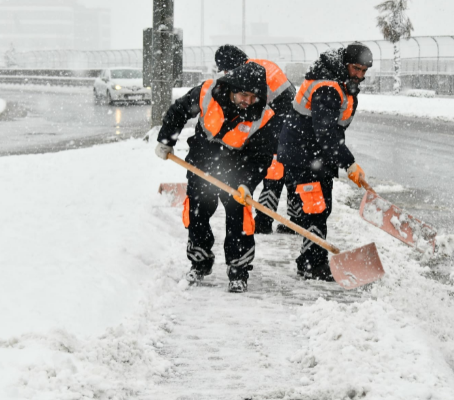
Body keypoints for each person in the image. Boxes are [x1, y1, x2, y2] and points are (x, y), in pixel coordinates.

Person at [155, 62, 277, 293]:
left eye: (254, 97)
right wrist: (166, 140)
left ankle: (239, 271)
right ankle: (200, 262)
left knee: (240, 221)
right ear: (232, 88)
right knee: (197, 214)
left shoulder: (264, 115)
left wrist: (247, 183)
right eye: (243, 94)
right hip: (202, 164)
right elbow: (178, 112)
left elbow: (261, 157)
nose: (248, 101)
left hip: (237, 170)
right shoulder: (207, 92)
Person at [277, 42, 372, 281]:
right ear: (344, 65)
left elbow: (330, 131)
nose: (359, 75)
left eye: (364, 71)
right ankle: (311, 264)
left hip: (313, 154)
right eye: (356, 69)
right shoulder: (327, 87)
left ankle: (311, 260)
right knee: (317, 208)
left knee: (318, 208)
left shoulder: (337, 81)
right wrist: (348, 163)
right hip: (305, 155)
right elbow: (325, 132)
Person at [215, 45, 298, 235]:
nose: (227, 74)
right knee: (290, 171)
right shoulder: (262, 65)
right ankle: (296, 219)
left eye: (227, 70)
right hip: (292, 123)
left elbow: (255, 108)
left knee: (274, 170)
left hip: (281, 123)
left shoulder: (251, 74)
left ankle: (264, 220)